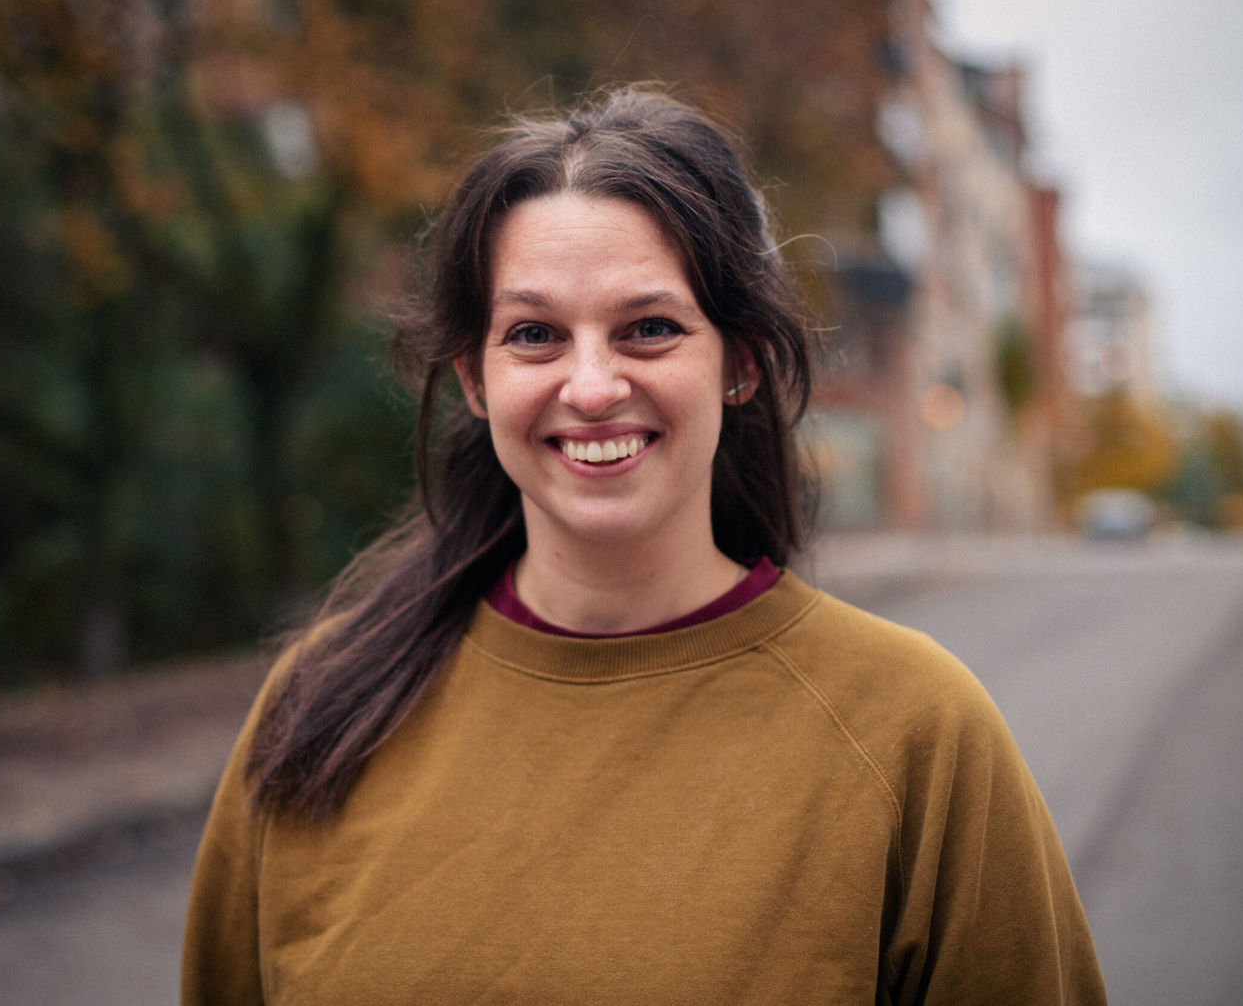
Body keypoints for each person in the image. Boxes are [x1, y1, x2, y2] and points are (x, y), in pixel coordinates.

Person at [182, 85, 1106, 1005]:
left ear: (739, 362)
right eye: (536, 334)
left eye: (649, 329)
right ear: (474, 376)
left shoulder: (917, 732)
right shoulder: (320, 713)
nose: (590, 386)